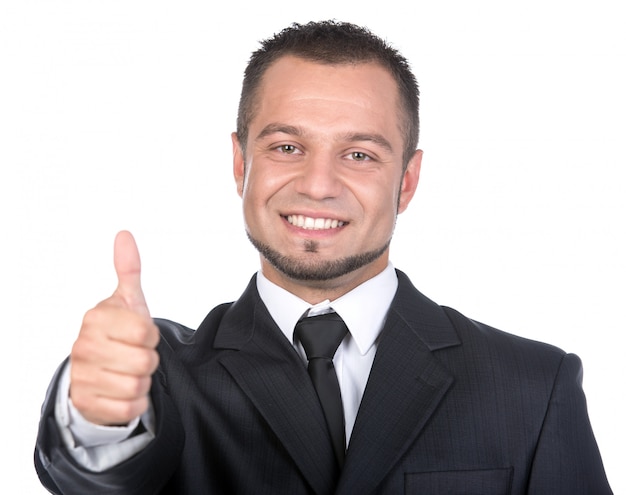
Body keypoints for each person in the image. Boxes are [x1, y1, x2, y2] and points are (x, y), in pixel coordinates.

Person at [34, 20, 612, 494]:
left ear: (407, 181)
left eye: (359, 154)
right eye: (287, 147)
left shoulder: (534, 387)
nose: (318, 184)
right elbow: (93, 480)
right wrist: (97, 414)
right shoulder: (160, 377)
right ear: (241, 165)